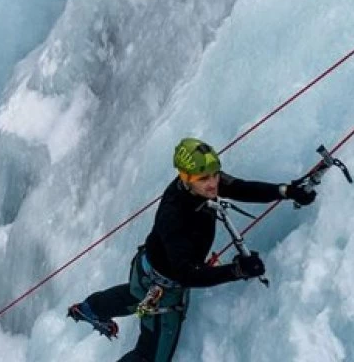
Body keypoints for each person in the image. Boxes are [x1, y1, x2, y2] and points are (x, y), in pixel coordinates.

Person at [66, 137, 317, 361]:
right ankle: (93, 310)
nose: (213, 183)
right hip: (164, 288)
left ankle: (90, 309)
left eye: (215, 174)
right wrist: (237, 270)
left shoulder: (199, 181)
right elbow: (186, 274)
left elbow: (240, 188)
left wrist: (285, 191)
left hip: (146, 268)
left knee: (134, 295)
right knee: (151, 356)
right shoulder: (173, 215)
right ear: (185, 178)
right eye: (204, 178)